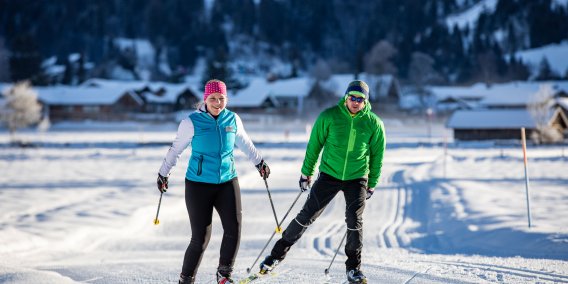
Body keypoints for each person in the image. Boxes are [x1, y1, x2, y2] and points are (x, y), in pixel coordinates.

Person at [258, 80, 386, 284]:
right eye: (351, 97)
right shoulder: (329, 116)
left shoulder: (374, 123)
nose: (355, 101)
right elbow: (314, 145)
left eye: (359, 99)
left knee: (354, 221)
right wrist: (306, 173)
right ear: (346, 97)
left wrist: (372, 182)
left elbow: (377, 155)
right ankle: (274, 257)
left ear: (365, 101)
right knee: (306, 215)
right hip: (329, 174)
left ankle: (354, 269)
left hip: (357, 177)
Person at [157, 79, 270, 284]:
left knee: (234, 229)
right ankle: (186, 279)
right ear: (205, 99)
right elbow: (175, 150)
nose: (218, 103)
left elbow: (245, 143)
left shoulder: (232, 119)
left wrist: (259, 162)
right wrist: (163, 173)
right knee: (200, 238)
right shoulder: (191, 122)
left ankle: (224, 274)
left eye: (221, 98)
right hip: (198, 185)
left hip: (227, 181)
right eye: (213, 99)